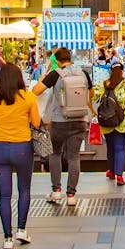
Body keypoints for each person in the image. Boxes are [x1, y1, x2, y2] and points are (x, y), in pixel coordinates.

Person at [0, 63, 40, 249]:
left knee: (4, 195)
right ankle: (21, 229)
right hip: (22, 148)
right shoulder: (28, 98)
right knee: (24, 189)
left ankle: (7, 238)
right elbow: (36, 122)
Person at [31, 46, 93, 206]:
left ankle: (56, 191)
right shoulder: (83, 74)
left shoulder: (55, 74)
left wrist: (44, 77)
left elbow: (35, 91)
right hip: (80, 119)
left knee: (55, 153)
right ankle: (71, 195)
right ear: (70, 59)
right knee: (74, 157)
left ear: (57, 61)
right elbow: (90, 94)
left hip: (60, 121)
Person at [95, 65, 125, 185]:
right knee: (120, 148)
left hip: (107, 119)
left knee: (110, 147)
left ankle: (111, 172)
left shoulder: (104, 84)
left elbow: (94, 96)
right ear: (122, 71)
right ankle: (119, 176)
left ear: (111, 71)